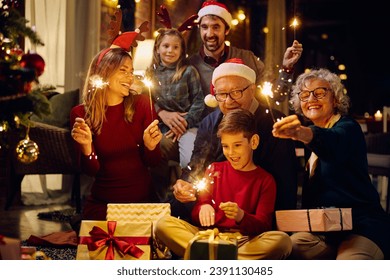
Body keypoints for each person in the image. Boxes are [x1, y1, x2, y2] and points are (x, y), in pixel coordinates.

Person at [272, 68, 390, 260]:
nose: (311, 98)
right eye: (304, 94)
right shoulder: (313, 138)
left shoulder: (348, 128)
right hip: (326, 231)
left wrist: (300, 133)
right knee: (284, 249)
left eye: (320, 93)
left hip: (362, 227)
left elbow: (333, 144)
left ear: (335, 99)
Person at [170, 58, 298, 223]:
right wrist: (185, 185)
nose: (229, 101)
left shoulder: (275, 122)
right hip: (214, 210)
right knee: (170, 211)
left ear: (252, 90)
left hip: (258, 211)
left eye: (236, 92)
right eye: (222, 94)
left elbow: (285, 182)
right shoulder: (209, 123)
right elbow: (196, 166)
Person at [155, 108, 292, 260]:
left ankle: (206, 255)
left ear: (253, 142)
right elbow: (199, 210)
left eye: (237, 145)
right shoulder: (214, 169)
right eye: (226, 146)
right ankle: (226, 258)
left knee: (282, 241)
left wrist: (241, 216)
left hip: (243, 242)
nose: (231, 152)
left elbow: (264, 225)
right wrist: (202, 208)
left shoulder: (265, 180)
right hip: (207, 237)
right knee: (163, 224)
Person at [70, 26, 163, 221]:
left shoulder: (144, 105)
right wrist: (87, 148)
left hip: (142, 205)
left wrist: (150, 147)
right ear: (104, 73)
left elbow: (153, 162)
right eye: (123, 71)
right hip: (104, 206)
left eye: (131, 71)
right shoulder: (81, 114)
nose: (130, 77)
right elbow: (89, 171)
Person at [188, 0, 303, 117]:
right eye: (204, 27)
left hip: (246, 129)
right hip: (205, 132)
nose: (209, 33)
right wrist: (167, 114)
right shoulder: (190, 65)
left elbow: (277, 95)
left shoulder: (248, 59)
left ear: (226, 30)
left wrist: (286, 68)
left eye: (216, 27)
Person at [146, 26, 204, 168]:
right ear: (157, 49)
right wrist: (160, 112)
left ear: (181, 51)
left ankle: (185, 184)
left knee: (187, 161)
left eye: (175, 47)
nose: (170, 51)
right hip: (162, 125)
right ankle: (164, 188)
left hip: (188, 125)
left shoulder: (188, 72)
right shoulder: (151, 74)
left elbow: (199, 101)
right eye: (166, 46)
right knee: (154, 154)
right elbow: (148, 101)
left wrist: (185, 122)